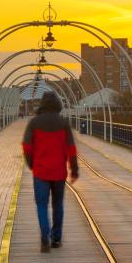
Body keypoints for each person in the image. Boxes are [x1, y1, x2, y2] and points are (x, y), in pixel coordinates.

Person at [21, 91, 79, 253]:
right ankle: (56, 238)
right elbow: (71, 149)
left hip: (40, 172)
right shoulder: (63, 123)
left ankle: (44, 236)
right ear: (58, 104)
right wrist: (74, 169)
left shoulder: (34, 123)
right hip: (59, 172)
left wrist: (32, 164)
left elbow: (26, 147)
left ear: (42, 104)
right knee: (58, 205)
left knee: (41, 204)